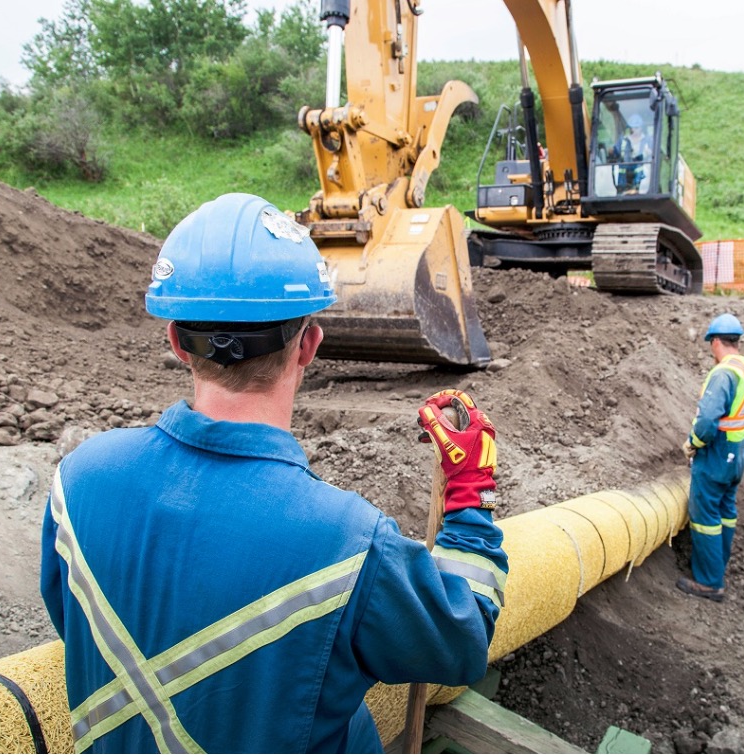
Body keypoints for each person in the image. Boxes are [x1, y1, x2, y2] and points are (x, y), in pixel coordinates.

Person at [39, 193, 508, 753]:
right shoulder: (349, 542)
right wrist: (469, 496)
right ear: (310, 344)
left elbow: (74, 626)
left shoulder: (78, 483)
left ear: (176, 343)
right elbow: (463, 639)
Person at [678, 313, 744, 603]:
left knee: (704, 516)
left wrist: (693, 444)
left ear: (715, 341)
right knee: (725, 511)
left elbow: (708, 419)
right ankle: (717, 566)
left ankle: (710, 582)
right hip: (737, 454)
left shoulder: (723, 373)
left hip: (716, 454)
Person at [613, 112, 652, 193]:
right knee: (618, 170)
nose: (633, 130)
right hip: (625, 170)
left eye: (636, 128)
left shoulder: (648, 140)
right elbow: (615, 152)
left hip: (642, 170)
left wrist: (650, 153)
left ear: (641, 128)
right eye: (632, 128)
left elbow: (655, 154)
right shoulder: (623, 140)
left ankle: (637, 188)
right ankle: (621, 190)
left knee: (642, 170)